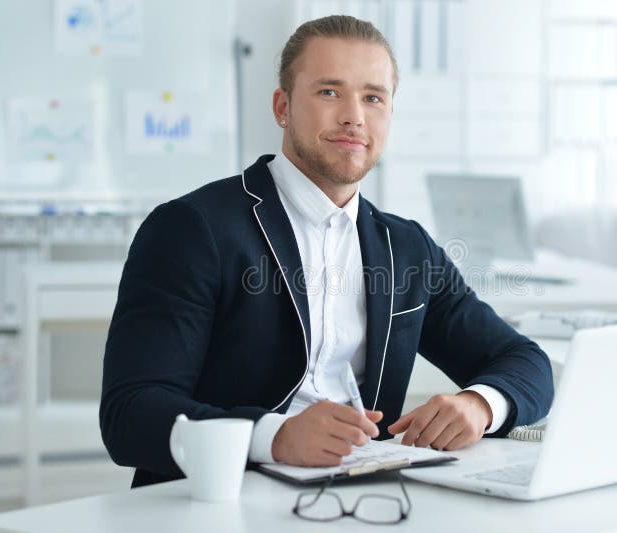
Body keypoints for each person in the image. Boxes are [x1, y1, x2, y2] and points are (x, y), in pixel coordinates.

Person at [100, 15, 554, 488]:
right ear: (282, 106)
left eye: (373, 97)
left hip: (362, 499)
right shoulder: (193, 228)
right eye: (329, 92)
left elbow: (525, 361)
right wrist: (272, 437)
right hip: (217, 500)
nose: (354, 116)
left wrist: (479, 404)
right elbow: (130, 412)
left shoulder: (406, 247)